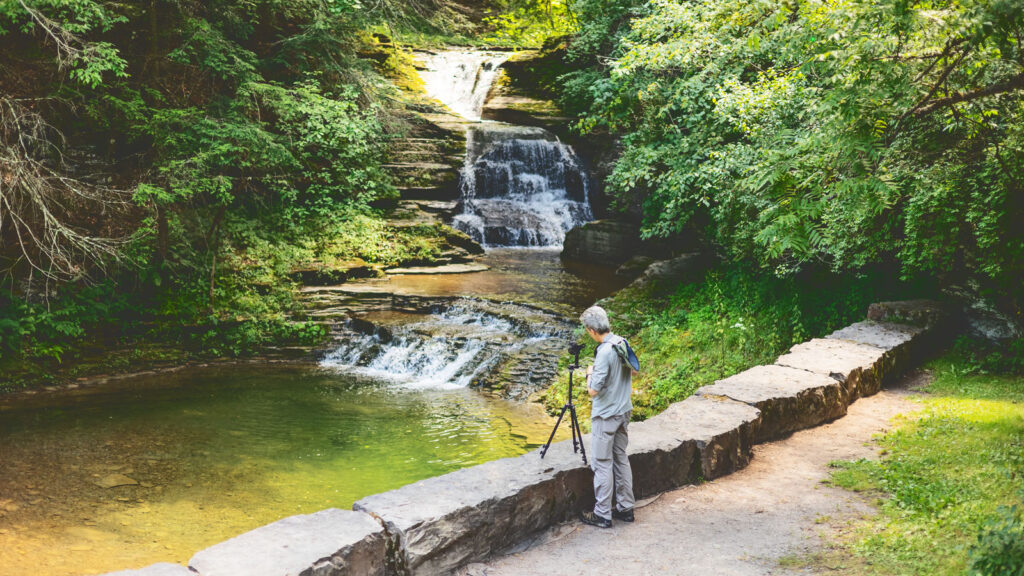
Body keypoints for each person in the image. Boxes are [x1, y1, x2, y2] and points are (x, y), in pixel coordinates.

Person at [578, 305, 635, 528]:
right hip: (623, 410)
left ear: (592, 330)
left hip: (606, 415)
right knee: (620, 458)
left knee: (601, 463)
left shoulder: (603, 352)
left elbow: (593, 390)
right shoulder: (621, 342)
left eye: (586, 330)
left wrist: (589, 373)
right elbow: (634, 370)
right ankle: (626, 508)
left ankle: (602, 514)